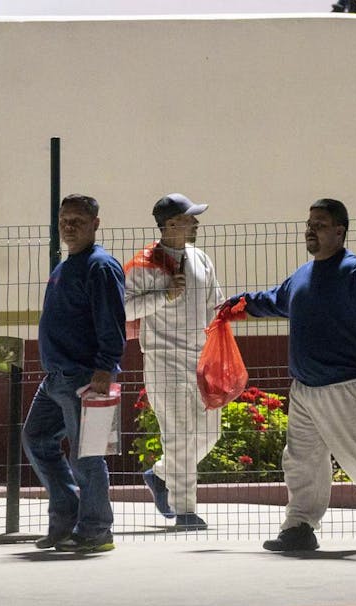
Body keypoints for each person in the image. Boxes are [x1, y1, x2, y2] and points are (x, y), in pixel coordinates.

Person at [226, 198, 356, 552]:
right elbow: (277, 298)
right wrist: (244, 304)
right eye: (309, 224)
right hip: (304, 388)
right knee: (301, 459)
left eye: (319, 225)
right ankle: (300, 526)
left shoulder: (353, 271)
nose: (310, 230)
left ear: (339, 231)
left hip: (344, 387)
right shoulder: (304, 275)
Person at [23, 194, 126, 553]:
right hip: (56, 378)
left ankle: (97, 529)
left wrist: (106, 368)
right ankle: (67, 519)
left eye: (78, 221)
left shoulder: (101, 267)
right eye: (64, 220)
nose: (69, 227)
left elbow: (112, 323)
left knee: (87, 455)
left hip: (84, 377)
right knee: (36, 439)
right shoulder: (66, 265)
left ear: (95, 224)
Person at [125, 193, 223, 531]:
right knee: (179, 436)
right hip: (164, 362)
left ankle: (161, 474)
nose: (195, 222)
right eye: (189, 217)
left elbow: (216, 303)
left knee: (210, 435)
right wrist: (162, 297)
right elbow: (121, 309)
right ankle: (184, 510)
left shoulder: (201, 259)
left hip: (203, 359)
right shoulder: (143, 264)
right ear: (170, 225)